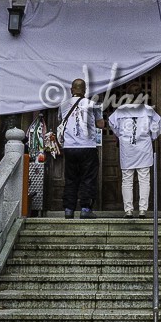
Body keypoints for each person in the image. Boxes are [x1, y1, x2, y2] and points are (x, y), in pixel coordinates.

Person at [106, 87, 161, 217]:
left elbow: (111, 123)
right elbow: (158, 125)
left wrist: (121, 135)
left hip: (127, 148)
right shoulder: (148, 110)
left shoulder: (120, 110)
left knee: (127, 179)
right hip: (144, 146)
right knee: (144, 179)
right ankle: (143, 209)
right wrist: (151, 136)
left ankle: (128, 210)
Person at [57, 78, 103, 218]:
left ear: (72, 90)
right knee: (88, 178)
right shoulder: (92, 104)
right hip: (87, 146)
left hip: (69, 147)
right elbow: (100, 124)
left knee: (70, 178)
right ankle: (85, 209)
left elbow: (61, 120)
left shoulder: (63, 105)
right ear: (84, 90)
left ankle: (69, 210)